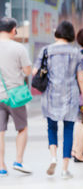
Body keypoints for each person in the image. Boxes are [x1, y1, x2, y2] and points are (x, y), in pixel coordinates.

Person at [32, 21, 83, 179]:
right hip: (70, 96)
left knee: (51, 128)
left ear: (56, 33)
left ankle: (53, 157)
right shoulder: (76, 52)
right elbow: (81, 78)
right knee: (69, 130)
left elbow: (35, 71)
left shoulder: (46, 51)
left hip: (50, 96)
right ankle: (65, 169)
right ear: (71, 35)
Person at [0, 17, 32, 177]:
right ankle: (18, 161)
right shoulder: (19, 48)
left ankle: (1, 166)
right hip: (15, 96)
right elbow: (27, 72)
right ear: (13, 30)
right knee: (22, 128)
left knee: (0, 132)